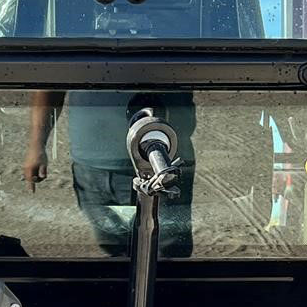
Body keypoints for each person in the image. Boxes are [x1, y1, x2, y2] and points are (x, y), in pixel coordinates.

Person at [24, 90, 195, 258]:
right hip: (91, 166)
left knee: (166, 255)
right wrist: (36, 146)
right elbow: (51, 84)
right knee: (112, 250)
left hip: (162, 166)